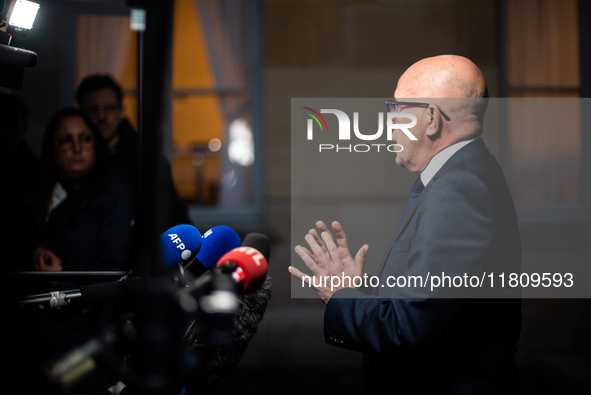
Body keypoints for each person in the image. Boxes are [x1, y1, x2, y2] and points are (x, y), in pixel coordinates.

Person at [289, 55, 522, 394]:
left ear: (431, 118)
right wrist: (357, 293)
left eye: (396, 109)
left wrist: (340, 297)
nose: (389, 122)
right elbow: (434, 309)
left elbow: (412, 326)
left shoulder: (458, 188)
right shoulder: (468, 173)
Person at [24, 107, 136, 392]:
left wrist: (60, 278)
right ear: (53, 146)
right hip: (38, 320)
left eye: (85, 139)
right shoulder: (41, 189)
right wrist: (36, 250)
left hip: (86, 325)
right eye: (66, 140)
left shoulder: (112, 194)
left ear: (95, 145)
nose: (77, 148)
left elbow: (115, 272)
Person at [75, 74, 192, 231]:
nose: (101, 116)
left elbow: (175, 219)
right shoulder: (74, 160)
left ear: (121, 111)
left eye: (109, 108)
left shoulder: (147, 163)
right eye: (94, 109)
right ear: (81, 113)